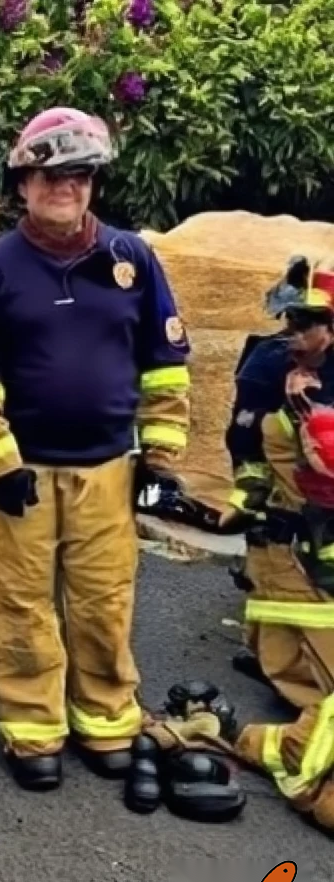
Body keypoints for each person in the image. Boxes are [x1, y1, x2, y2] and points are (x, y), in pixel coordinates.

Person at [0, 107, 192, 791]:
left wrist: (160, 463)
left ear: (93, 183)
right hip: (21, 476)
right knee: (20, 607)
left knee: (104, 603)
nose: (65, 187)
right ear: (23, 183)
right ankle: (32, 733)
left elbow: (165, 368)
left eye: (79, 174)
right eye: (50, 176)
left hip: (107, 472)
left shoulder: (132, 261)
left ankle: (105, 722)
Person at [221, 265, 334, 831]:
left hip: (321, 535)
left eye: (306, 323)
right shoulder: (268, 365)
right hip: (287, 533)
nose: (292, 333)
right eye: (289, 320)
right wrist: (248, 497)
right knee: (278, 625)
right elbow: (245, 443)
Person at [224, 256, 312, 690]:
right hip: (287, 492)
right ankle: (271, 656)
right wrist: (253, 491)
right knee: (277, 564)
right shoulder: (270, 361)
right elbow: (246, 434)